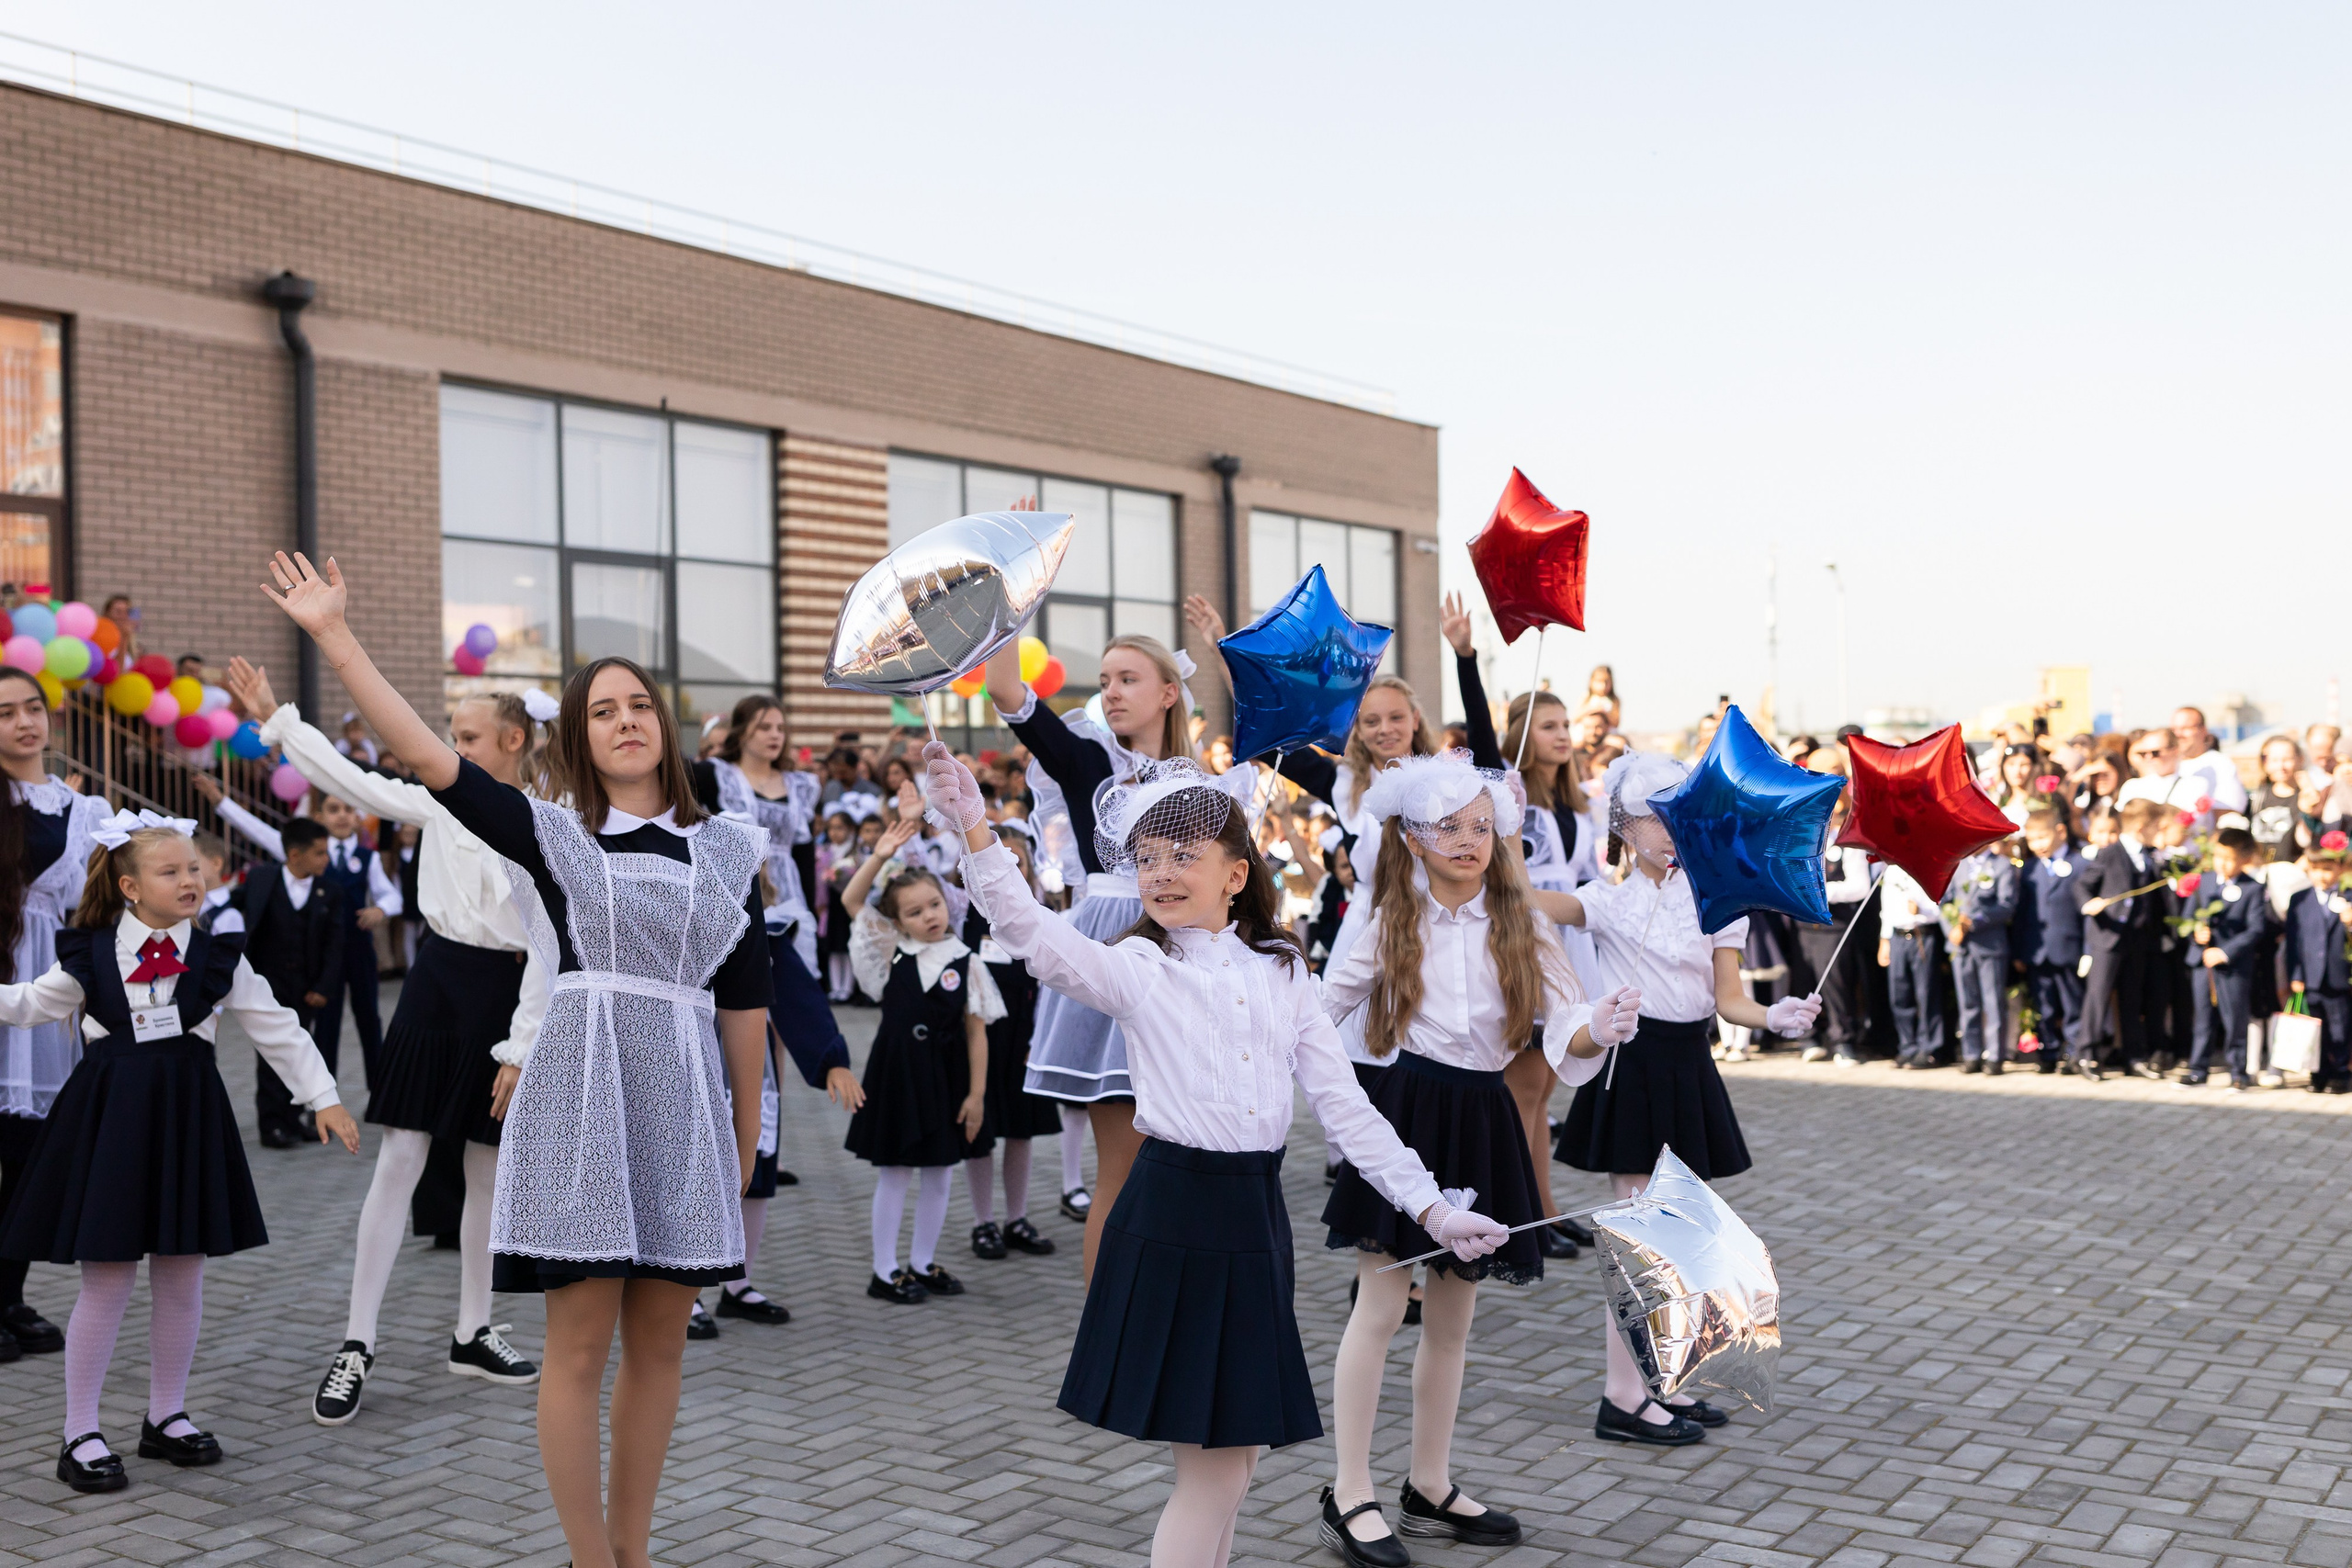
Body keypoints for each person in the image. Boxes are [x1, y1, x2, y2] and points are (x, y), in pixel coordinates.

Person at [262, 551, 770, 1568]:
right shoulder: (549, 832)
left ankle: (635, 1550)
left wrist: (747, 1134)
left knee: (662, 1345)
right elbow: (425, 760)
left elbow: (743, 1004)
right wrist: (337, 641)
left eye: (639, 705)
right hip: (582, 1099)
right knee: (578, 1347)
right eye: (601, 710)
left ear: (663, 726)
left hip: (685, 1109)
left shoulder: (728, 848)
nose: (625, 720)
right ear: (575, 738)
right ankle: (591, 1559)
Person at [927, 742, 1508, 1568]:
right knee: (1212, 1477)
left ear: (1237, 873)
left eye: (1185, 854)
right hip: (1174, 1214)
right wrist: (977, 828)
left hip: (1254, 1218)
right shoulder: (1139, 967)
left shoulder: (1281, 970)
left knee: (1234, 1464)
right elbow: (1031, 934)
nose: (1161, 871)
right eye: (1149, 857)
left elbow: (1347, 1108)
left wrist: (1434, 1210)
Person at [1317, 752, 1638, 1562]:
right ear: (1416, 838)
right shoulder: (1391, 920)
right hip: (1406, 1111)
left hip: (1486, 1115)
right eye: (1449, 826)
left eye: (1481, 825)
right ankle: (1349, 1491)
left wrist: (1598, 1027)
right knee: (1383, 1309)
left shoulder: (1522, 920)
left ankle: (1429, 1483)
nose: (1469, 839)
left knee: (1455, 1322)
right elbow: (1317, 1014)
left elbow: (1565, 1017)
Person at [217, 660, 555, 1423]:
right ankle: (356, 1341)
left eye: (466, 735)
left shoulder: (545, 820)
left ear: (512, 739)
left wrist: (522, 1045)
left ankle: (473, 1328)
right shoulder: (440, 802)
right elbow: (354, 779)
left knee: (487, 1170)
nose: (451, 744)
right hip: (437, 985)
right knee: (401, 1155)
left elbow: (550, 944)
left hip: (509, 1001)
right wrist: (281, 721)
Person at [0, 810, 359, 1492]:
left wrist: (325, 1095)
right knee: (106, 1276)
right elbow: (27, 1004)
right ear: (131, 886)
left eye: (194, 867)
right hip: (112, 1122)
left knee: (182, 1271)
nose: (190, 878)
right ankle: (80, 1430)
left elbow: (275, 1024)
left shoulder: (219, 952)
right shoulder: (90, 952)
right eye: (171, 871)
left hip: (188, 1119)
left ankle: (165, 1414)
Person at [1539, 752, 1819, 1442]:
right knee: (1638, 1238)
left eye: (1676, 817)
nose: (1667, 831)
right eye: (1649, 819)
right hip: (1633, 1064)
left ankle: (1660, 1383)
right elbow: (1519, 899)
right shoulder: (1602, 899)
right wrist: (1508, 822)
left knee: (1679, 1237)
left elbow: (1729, 1000)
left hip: (1690, 1062)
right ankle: (1621, 1395)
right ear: (1625, 829)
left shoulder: (1716, 899)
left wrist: (1774, 1015)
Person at [979, 616, 1200, 1279]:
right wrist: (1009, 611)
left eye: (1127, 678)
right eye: (1104, 680)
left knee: (1181, 1164)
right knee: (1122, 1163)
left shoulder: (1194, 778)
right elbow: (1008, 694)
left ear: (1168, 692)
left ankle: (1162, 1304)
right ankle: (1109, 1326)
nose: (1110, 692)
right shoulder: (1089, 760)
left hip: (1185, 955)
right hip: (1113, 944)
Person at [686, 694, 865, 1337]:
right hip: (714, 935)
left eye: (780, 726)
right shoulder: (712, 777)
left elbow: (809, 858)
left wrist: (831, 1056)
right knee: (703, 1125)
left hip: (783, 926)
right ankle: (688, 1289)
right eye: (762, 725)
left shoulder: (803, 787)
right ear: (737, 733)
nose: (773, 734)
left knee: (759, 1120)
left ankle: (739, 1281)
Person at [0, 666, 111, 1363]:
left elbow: (97, 907)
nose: (22, 722)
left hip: (49, 993)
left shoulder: (86, 811)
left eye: (32, 707)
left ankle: (8, 1296)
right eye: (5, 711)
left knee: (28, 1157)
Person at [840, 818, 995, 1303]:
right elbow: (851, 902)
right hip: (897, 1075)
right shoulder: (891, 952)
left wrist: (976, 1095)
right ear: (898, 921)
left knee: (941, 1171)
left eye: (934, 905)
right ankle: (884, 1270)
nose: (928, 916)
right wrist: (881, 854)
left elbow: (977, 1032)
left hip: (946, 1078)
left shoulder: (965, 958)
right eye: (914, 912)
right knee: (895, 1172)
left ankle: (922, 1262)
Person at [207, 782, 403, 1089]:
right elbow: (256, 830)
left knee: (369, 1018)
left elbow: (392, 896)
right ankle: (325, 1092)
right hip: (321, 955)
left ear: (357, 817)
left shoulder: (368, 858)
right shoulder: (306, 850)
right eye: (333, 809)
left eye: (348, 809)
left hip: (356, 949)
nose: (341, 816)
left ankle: (379, 1092)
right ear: (320, 816)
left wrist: (381, 909)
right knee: (325, 1024)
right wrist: (222, 803)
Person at [961, 821, 1062, 1262]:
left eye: (1019, 864)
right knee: (979, 1132)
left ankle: (1016, 1217)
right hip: (981, 1044)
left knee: (1021, 1132)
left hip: (1025, 1040)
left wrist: (1041, 1039)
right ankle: (983, 1221)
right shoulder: (966, 918)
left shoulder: (1039, 917)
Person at [233, 817, 345, 1144]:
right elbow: (232, 907)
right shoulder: (262, 879)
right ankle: (272, 1123)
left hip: (307, 988)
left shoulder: (330, 891)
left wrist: (324, 987)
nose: (326, 860)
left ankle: (295, 1118)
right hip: (267, 983)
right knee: (270, 1055)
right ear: (295, 855)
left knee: (303, 1051)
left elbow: (335, 945)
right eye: (320, 853)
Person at [2075, 798, 2175, 1082]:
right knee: (2098, 996)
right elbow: (2082, 886)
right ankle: (2086, 1054)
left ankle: (2134, 1056)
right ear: (2142, 827)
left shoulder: (2149, 855)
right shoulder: (2109, 853)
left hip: (2137, 939)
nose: (2160, 831)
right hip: (2108, 937)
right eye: (2157, 826)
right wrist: (2089, 902)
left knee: (2133, 999)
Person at [2180, 828, 2270, 1090]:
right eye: (2218, 856)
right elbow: (2187, 918)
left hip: (2233, 966)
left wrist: (2226, 951)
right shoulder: (2203, 882)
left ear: (2244, 859)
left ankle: (2238, 1071)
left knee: (2235, 1018)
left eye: (2229, 858)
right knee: (2203, 1018)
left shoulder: (2252, 889)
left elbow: (2255, 929)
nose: (2223, 863)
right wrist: (2196, 933)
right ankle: (2198, 1068)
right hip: (2202, 962)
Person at [2012, 807, 2088, 1075]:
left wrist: (2087, 950)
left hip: (2069, 946)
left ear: (2060, 832)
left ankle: (2076, 1051)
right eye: (2032, 840)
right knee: (2042, 1003)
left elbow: (2085, 913)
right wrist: (2020, 951)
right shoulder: (2030, 868)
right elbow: (2021, 912)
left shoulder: (2080, 864)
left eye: (2042, 838)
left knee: (2072, 1002)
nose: (2037, 846)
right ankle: (2048, 1051)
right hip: (2037, 949)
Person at [1942, 840, 2018, 1074]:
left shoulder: (2002, 866)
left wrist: (1974, 922)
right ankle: (1971, 1054)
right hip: (1961, 945)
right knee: (1968, 1001)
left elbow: (2007, 905)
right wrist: (1952, 928)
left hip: (1989, 944)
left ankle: (1995, 1055)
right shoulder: (1956, 865)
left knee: (1993, 1001)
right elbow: (1944, 901)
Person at [2284, 844, 2352, 1093]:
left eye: (2328, 869)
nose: (2322, 875)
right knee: (2315, 1027)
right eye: (2315, 869)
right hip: (2310, 976)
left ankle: (2341, 1073)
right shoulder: (2299, 899)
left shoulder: (2349, 896)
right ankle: (2318, 1072)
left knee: (2340, 1026)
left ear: (2340, 868)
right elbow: (2293, 942)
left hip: (2339, 975)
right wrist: (2296, 974)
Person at [1876, 863, 1946, 1068]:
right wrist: (1884, 939)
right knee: (1899, 994)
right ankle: (1908, 1046)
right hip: (1897, 936)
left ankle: (1930, 1048)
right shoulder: (1891, 870)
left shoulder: (1930, 868)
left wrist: (1922, 907)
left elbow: (1940, 906)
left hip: (1921, 935)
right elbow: (1886, 908)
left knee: (1926, 994)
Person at [2171, 707, 2249, 817]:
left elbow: (2228, 811)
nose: (2178, 734)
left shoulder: (2220, 764)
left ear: (2203, 730)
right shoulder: (2165, 764)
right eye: (2174, 729)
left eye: (2185, 728)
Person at [2249, 736, 2313, 867]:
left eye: (2287, 759)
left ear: (2300, 759)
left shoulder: (2307, 795)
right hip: (2259, 873)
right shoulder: (2257, 797)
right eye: (2274, 760)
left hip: (2295, 874)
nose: (2281, 766)